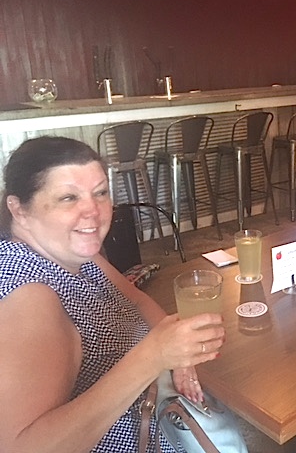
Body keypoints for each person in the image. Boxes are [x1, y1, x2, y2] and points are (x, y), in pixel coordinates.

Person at [0, 136, 230, 452]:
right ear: (19, 209)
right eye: (68, 197)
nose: (92, 211)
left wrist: (179, 358)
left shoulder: (74, 252)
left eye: (101, 193)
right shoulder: (30, 298)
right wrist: (153, 356)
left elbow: (134, 299)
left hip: (158, 411)